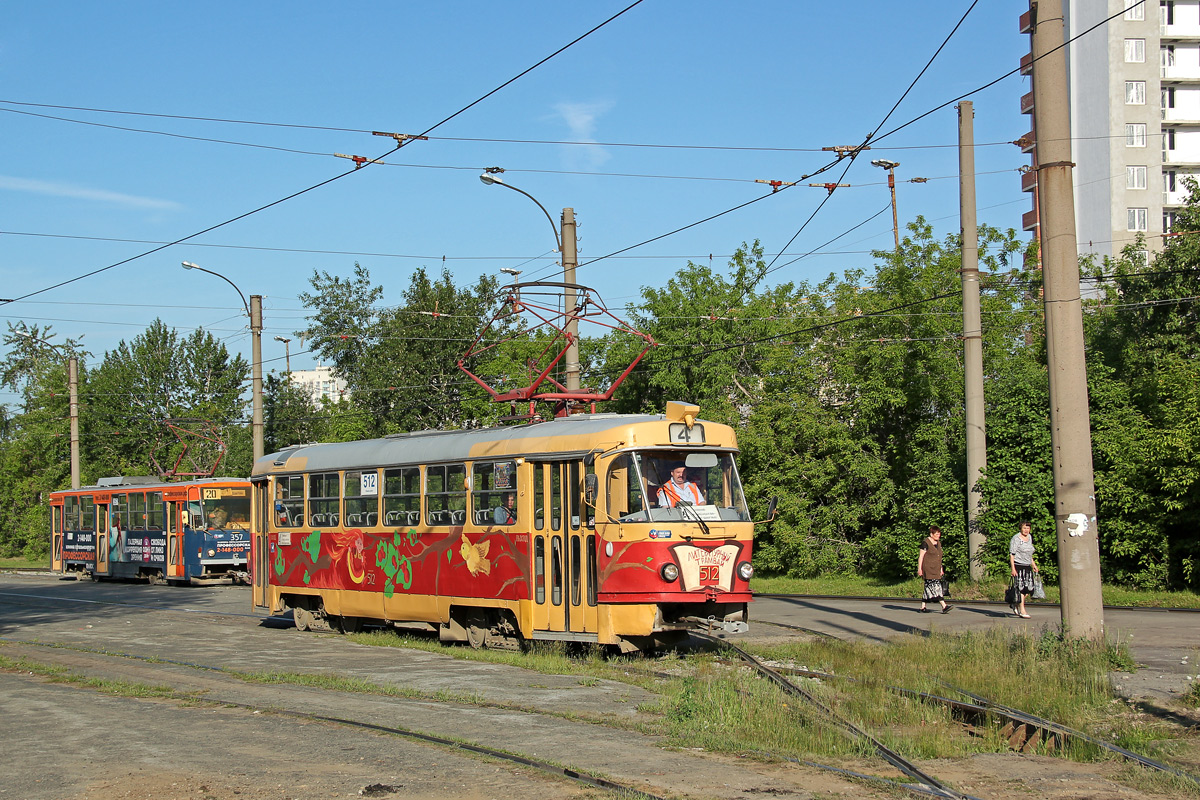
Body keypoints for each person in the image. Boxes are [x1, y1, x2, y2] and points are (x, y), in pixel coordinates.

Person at [917, 525, 952, 614]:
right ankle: (944, 606)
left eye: (939, 534)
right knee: (936, 586)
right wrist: (919, 569)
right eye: (936, 534)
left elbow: (939, 557)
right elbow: (921, 557)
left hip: (936, 568)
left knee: (928, 587)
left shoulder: (938, 543)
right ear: (931, 534)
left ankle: (922, 607)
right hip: (928, 568)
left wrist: (941, 569)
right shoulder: (925, 543)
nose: (938, 535)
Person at [1009, 520, 1039, 618]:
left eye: (1028, 528)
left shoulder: (1029, 538)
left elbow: (1029, 553)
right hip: (1018, 565)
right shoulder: (1016, 538)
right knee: (1021, 589)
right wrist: (1013, 568)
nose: (1026, 530)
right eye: (1024, 528)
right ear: (1020, 529)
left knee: (1029, 589)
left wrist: (1033, 564)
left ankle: (1015, 603)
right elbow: (1012, 554)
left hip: (1027, 565)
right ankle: (1022, 610)